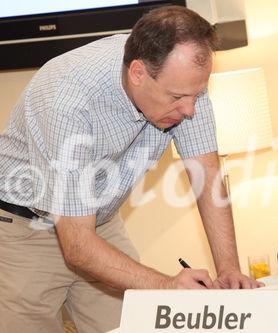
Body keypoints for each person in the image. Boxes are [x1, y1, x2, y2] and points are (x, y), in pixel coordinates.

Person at [0, 6, 261, 333]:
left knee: (140, 327)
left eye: (196, 95)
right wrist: (168, 286)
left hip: (99, 222)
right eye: (178, 97)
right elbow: (77, 245)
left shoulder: (183, 82)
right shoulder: (66, 97)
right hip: (24, 229)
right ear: (138, 73)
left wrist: (229, 271)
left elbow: (207, 175)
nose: (190, 110)